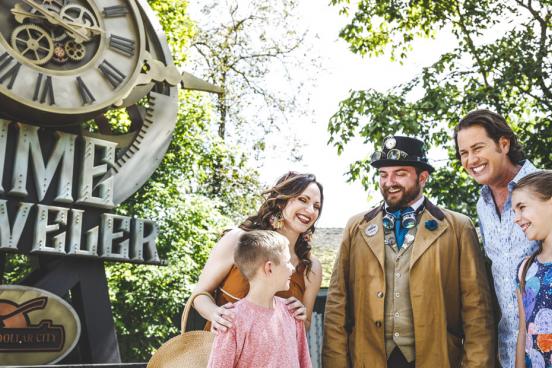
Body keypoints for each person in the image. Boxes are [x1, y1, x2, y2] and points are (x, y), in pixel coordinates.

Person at [323, 135, 495, 368]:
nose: (389, 181)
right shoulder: (356, 227)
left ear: (422, 177)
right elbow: (336, 306)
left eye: (400, 173)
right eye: (383, 175)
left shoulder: (458, 227)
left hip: (437, 359)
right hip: (368, 359)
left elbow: (477, 312)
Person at [455, 109, 539, 367]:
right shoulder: (482, 205)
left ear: (504, 144)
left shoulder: (546, 190)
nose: (471, 160)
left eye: (477, 148)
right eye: (463, 153)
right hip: (508, 352)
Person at [192, 172, 323, 333]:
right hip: (220, 350)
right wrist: (216, 314)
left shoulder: (312, 267)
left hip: (272, 356)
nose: (310, 210)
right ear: (282, 202)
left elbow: (306, 325)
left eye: (317, 206)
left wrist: (300, 318)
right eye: (303, 200)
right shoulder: (237, 240)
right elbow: (199, 295)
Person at [207, 230, 312, 368]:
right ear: (269, 268)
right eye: (287, 262)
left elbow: (304, 363)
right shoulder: (231, 321)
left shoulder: (292, 312)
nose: (292, 268)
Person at [511, 171, 552, 368]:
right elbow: (523, 333)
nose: (516, 219)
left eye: (522, 207)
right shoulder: (525, 269)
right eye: (514, 212)